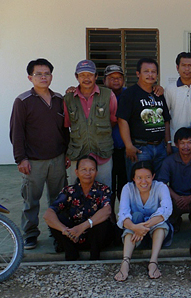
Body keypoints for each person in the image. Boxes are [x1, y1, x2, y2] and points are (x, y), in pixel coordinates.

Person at [10, 58, 69, 250]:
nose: (43, 77)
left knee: (58, 199)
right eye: (39, 74)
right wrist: (21, 158)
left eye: (47, 73)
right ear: (30, 77)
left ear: (52, 76)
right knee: (31, 201)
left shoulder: (60, 99)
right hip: (33, 161)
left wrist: (67, 153)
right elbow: (16, 131)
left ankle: (57, 231)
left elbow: (65, 130)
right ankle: (30, 234)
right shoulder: (23, 101)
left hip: (58, 159)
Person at [43, 155, 114, 260]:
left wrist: (82, 227)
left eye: (91, 170)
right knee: (56, 218)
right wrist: (66, 231)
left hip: (94, 238)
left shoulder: (103, 189)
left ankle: (95, 258)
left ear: (96, 172)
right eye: (83, 169)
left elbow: (107, 210)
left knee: (103, 223)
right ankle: (71, 255)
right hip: (72, 236)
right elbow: (48, 214)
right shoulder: (69, 191)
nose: (87, 173)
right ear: (76, 172)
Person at [114, 161, 173, 281]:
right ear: (133, 178)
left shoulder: (161, 187)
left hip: (155, 233)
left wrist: (143, 227)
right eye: (139, 178)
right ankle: (125, 262)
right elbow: (122, 215)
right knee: (134, 217)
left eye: (148, 177)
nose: (144, 181)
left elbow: (166, 210)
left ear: (153, 176)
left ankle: (153, 262)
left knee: (160, 223)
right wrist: (136, 228)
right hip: (136, 235)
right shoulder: (128, 188)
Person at [64, 59, 117, 187]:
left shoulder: (108, 95)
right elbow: (67, 125)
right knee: (77, 192)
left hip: (102, 153)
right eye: (82, 75)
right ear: (76, 77)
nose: (86, 78)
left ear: (96, 76)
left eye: (90, 74)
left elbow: (113, 120)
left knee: (105, 191)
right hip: (78, 153)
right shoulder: (68, 98)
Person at [117, 58, 172, 179]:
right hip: (140, 148)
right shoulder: (130, 94)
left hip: (160, 147)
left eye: (153, 71)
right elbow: (122, 120)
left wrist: (168, 143)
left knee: (159, 183)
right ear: (138, 74)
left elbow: (166, 120)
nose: (150, 74)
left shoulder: (158, 94)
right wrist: (128, 145)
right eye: (146, 71)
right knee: (139, 184)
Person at [156, 127, 191, 232]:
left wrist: (189, 198)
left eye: (189, 143)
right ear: (176, 144)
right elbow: (162, 183)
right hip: (175, 199)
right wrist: (176, 197)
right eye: (182, 143)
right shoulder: (169, 161)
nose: (186, 146)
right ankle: (175, 220)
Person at [164, 52, 191, 148]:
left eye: (190, 66)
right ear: (177, 67)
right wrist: (168, 142)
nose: (187, 69)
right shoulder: (170, 89)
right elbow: (165, 118)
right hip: (176, 142)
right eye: (183, 65)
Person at [104, 64, 128, 198]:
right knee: (109, 186)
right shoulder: (99, 96)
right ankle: (110, 216)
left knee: (125, 185)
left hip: (126, 149)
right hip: (107, 150)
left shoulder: (129, 95)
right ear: (104, 80)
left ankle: (124, 216)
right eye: (111, 78)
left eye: (119, 77)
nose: (116, 80)